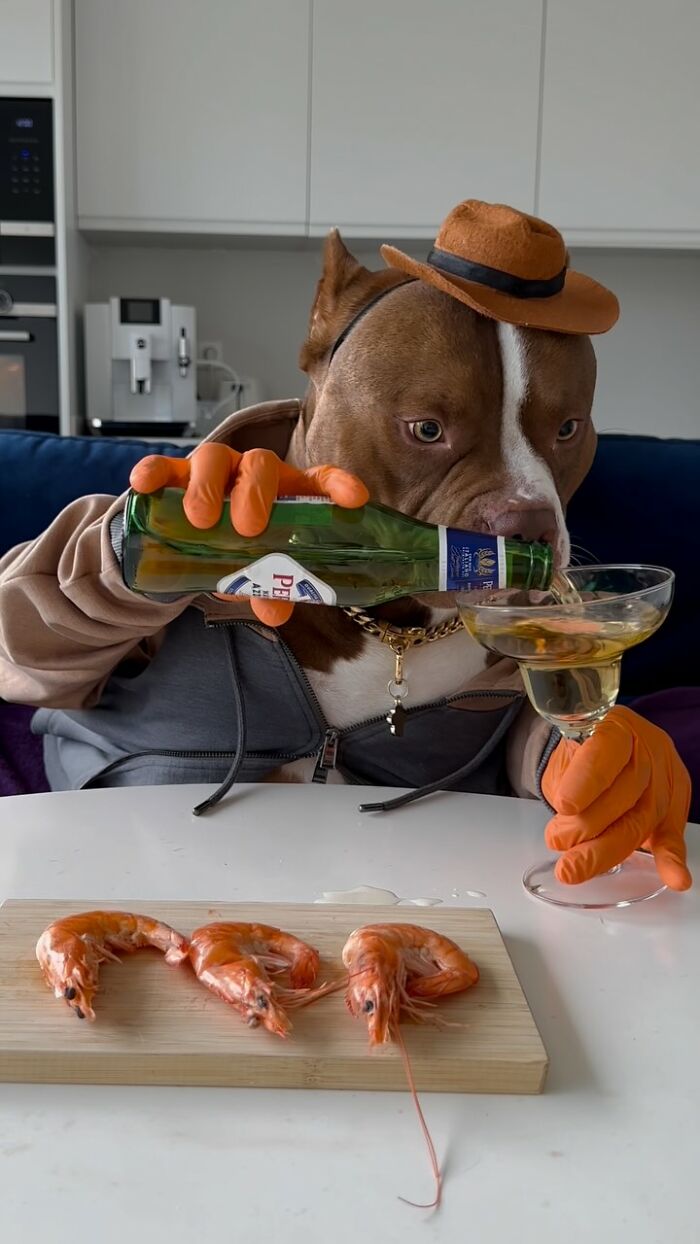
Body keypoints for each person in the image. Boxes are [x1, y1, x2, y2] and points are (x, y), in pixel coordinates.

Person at [0, 199, 691, 890]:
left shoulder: (534, 606)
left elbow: (522, 724)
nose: (522, 501)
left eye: (562, 433)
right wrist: (129, 554)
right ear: (320, 376)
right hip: (125, 888)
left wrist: (568, 762)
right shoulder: (195, 524)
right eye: (427, 430)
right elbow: (17, 653)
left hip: (409, 919)